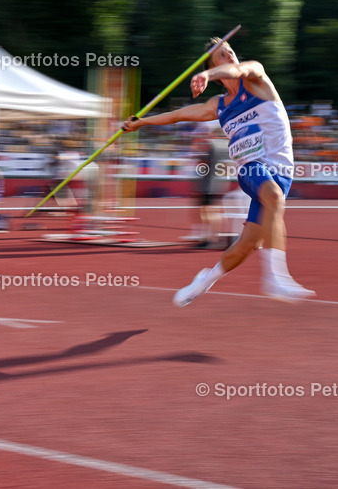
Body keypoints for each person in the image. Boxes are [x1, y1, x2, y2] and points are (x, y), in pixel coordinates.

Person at [122, 37, 315, 306]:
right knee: (273, 196)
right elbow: (179, 115)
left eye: (230, 51)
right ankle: (275, 279)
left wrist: (208, 72)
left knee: (247, 244)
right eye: (222, 55)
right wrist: (142, 122)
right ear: (214, 69)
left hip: (281, 172)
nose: (231, 56)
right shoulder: (219, 105)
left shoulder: (256, 77)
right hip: (252, 168)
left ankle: (205, 280)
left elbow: (237, 71)